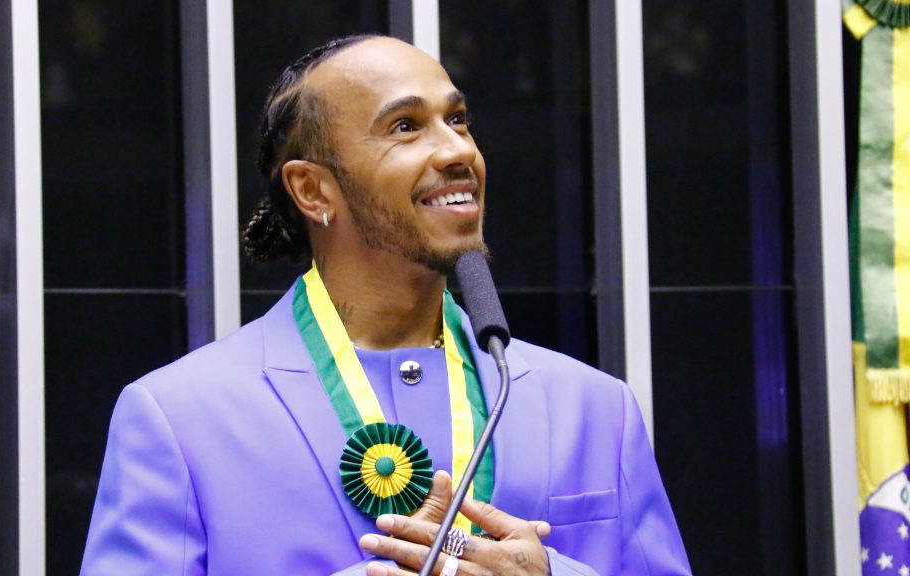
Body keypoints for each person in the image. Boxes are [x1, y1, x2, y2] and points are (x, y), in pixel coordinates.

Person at [80, 34, 691, 575]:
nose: (457, 151)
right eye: (405, 127)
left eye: (459, 119)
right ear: (313, 189)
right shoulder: (179, 419)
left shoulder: (595, 408)